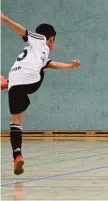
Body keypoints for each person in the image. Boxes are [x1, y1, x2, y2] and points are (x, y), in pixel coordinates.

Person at [1, 12, 81, 175]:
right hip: (30, 81)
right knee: (40, 72)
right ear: (51, 39)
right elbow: (21, 30)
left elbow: (52, 64)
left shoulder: (35, 52)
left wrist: (70, 66)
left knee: (16, 121)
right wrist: (4, 19)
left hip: (15, 81)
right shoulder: (39, 39)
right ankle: (6, 83)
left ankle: (17, 155)